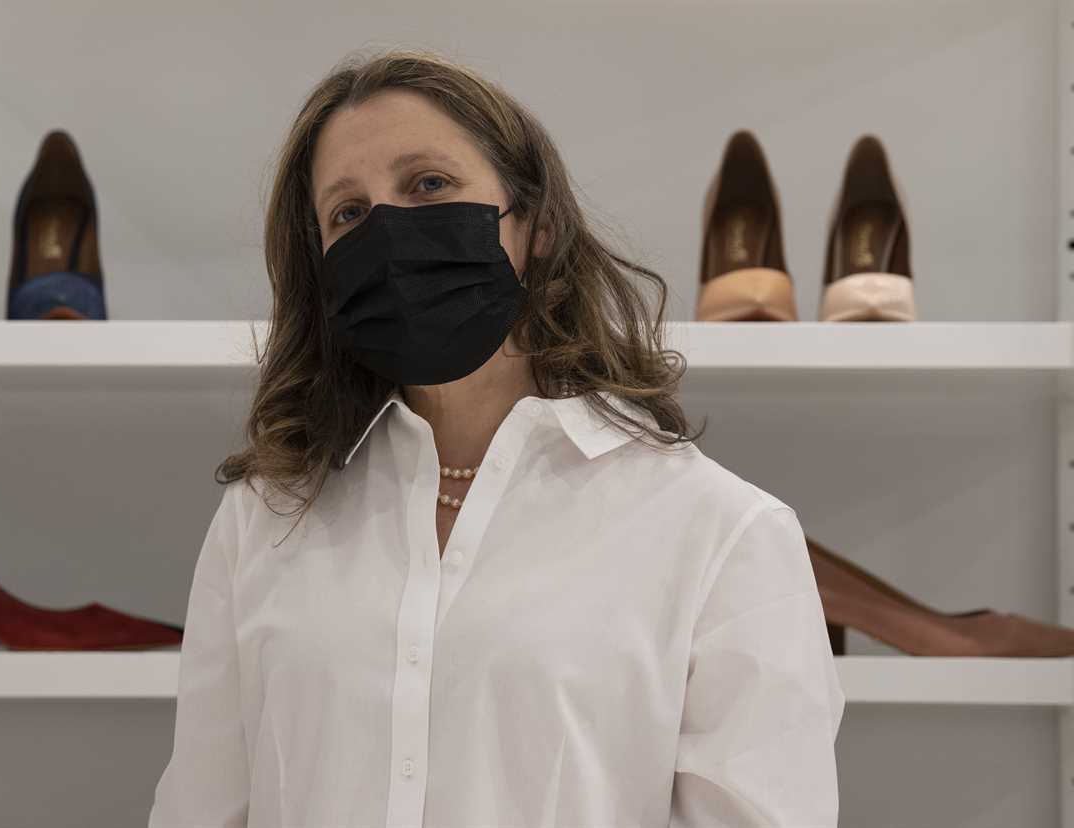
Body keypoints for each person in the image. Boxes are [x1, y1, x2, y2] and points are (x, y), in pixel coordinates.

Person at [148, 46, 845, 828]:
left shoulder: (719, 533)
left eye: (429, 185)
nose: (389, 231)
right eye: (348, 213)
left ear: (538, 226)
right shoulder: (265, 519)